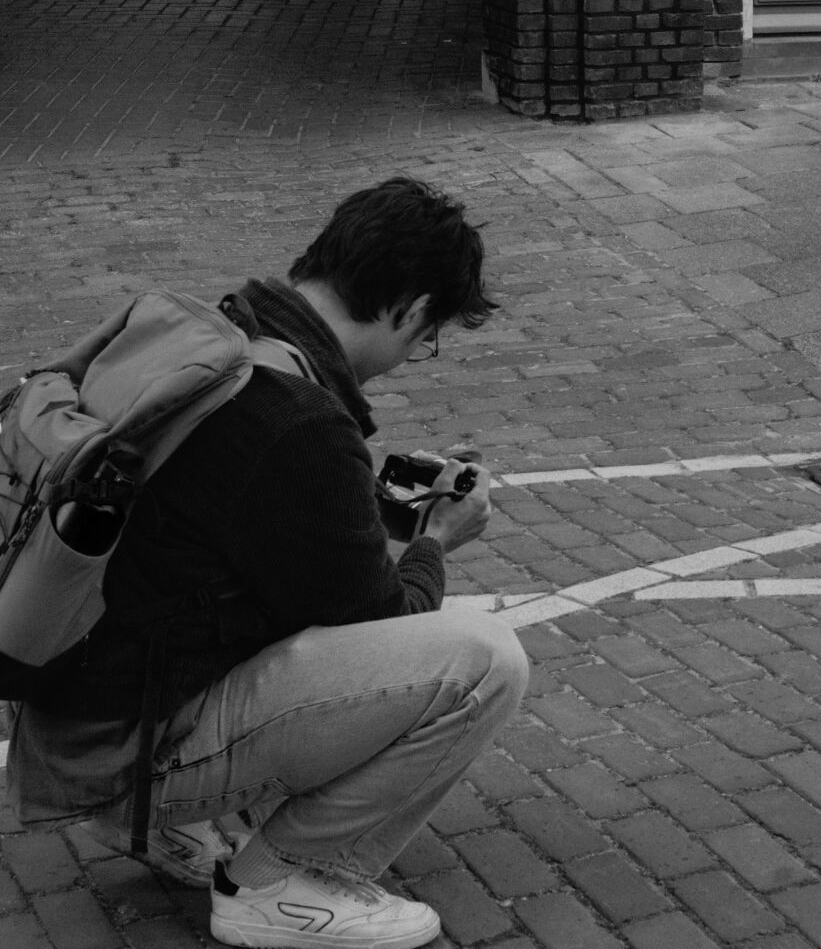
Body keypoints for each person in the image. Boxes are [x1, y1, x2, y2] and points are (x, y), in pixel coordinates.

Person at [6, 178, 529, 949]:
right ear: (412, 308)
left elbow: (226, 516)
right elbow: (384, 621)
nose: (422, 353)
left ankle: (169, 825)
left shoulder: (216, 337)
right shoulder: (297, 421)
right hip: (129, 746)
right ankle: (277, 887)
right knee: (484, 663)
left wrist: (366, 502)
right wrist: (434, 542)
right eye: (430, 335)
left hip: (74, 708)